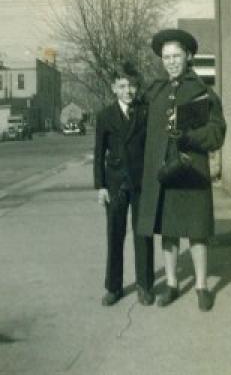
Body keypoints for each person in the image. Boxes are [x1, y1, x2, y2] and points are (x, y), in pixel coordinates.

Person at [138, 28, 226, 311]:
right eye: (167, 57)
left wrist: (190, 138)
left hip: (192, 171)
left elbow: (217, 133)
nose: (172, 61)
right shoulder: (155, 91)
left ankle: (201, 286)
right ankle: (173, 283)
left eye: (177, 56)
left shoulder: (202, 91)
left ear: (188, 56)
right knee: (169, 230)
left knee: (196, 230)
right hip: (165, 172)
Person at [94, 68, 154, 306]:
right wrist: (101, 186)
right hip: (115, 183)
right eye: (121, 86)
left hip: (141, 182)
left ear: (137, 87)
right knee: (115, 234)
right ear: (113, 88)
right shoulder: (105, 115)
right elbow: (99, 153)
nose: (127, 91)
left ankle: (145, 285)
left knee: (143, 234)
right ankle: (114, 287)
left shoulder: (145, 112)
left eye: (131, 86)